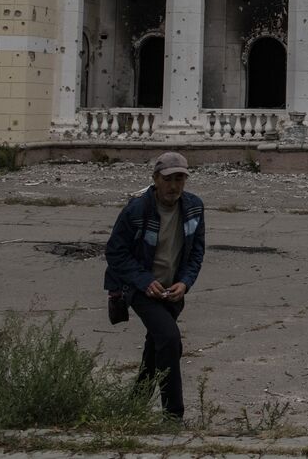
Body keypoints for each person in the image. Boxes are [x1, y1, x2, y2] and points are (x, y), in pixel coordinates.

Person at [104, 151, 206, 419]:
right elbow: (115, 252)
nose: (174, 186)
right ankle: (173, 416)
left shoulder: (194, 207)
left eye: (180, 179)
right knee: (170, 341)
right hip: (140, 289)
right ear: (155, 179)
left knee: (157, 347)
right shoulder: (137, 210)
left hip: (172, 291)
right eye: (168, 179)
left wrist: (185, 283)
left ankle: (133, 407)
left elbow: (196, 252)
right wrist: (144, 280)